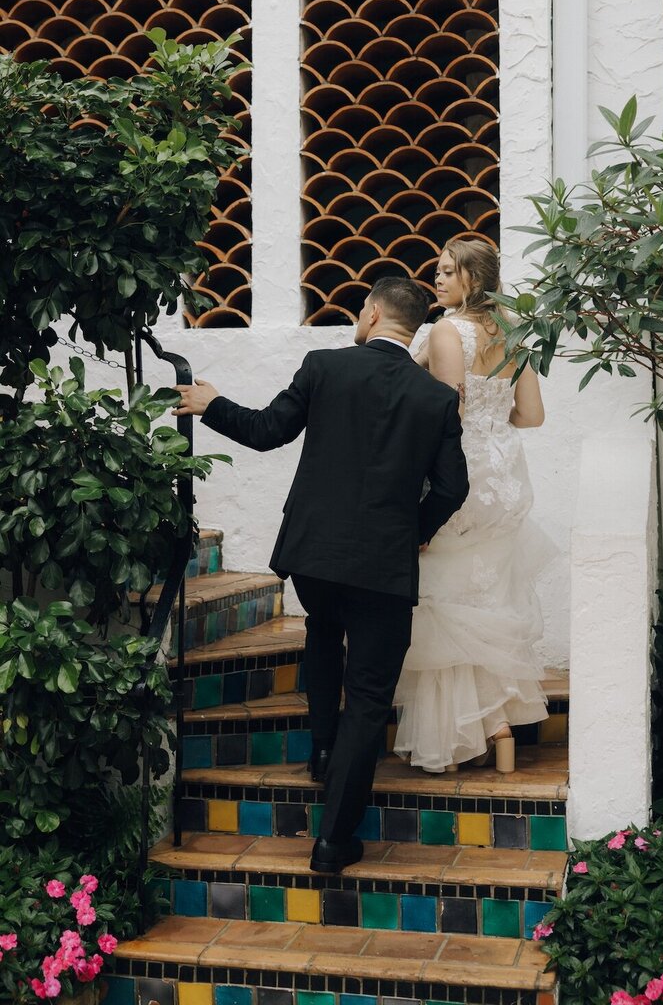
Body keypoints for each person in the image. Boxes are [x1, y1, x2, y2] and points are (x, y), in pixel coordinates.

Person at [173, 277, 469, 874]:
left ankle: (322, 748)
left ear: (375, 313)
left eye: (361, 309)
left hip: (314, 559)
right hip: (383, 568)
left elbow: (265, 431)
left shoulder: (324, 367)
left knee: (323, 633)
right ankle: (333, 840)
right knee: (368, 696)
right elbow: (453, 488)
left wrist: (212, 405)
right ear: (413, 330)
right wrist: (414, 530)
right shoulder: (435, 398)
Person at [393, 238, 548, 774]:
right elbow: (530, 416)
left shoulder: (442, 330)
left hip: (457, 480)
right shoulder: (515, 334)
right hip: (502, 483)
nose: (435, 280)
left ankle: (453, 739)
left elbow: (445, 409)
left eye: (445, 272)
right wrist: (492, 419)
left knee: (441, 602)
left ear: (472, 281)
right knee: (487, 603)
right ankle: (500, 729)